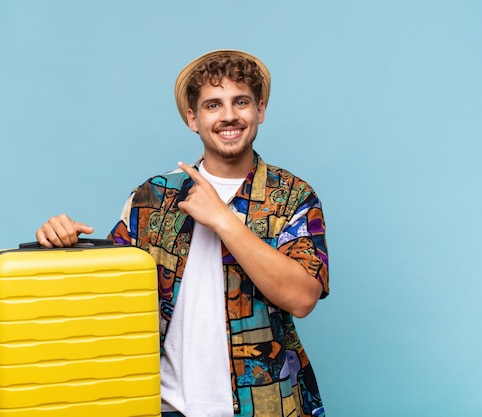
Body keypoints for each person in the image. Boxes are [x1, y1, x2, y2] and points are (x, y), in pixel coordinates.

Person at [36, 50, 329, 417]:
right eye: (212, 105)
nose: (228, 116)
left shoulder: (293, 196)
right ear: (193, 118)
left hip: (265, 405)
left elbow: (302, 297)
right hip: (161, 406)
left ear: (260, 110)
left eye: (241, 102)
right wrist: (63, 243)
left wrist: (223, 220)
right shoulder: (151, 198)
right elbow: (109, 294)